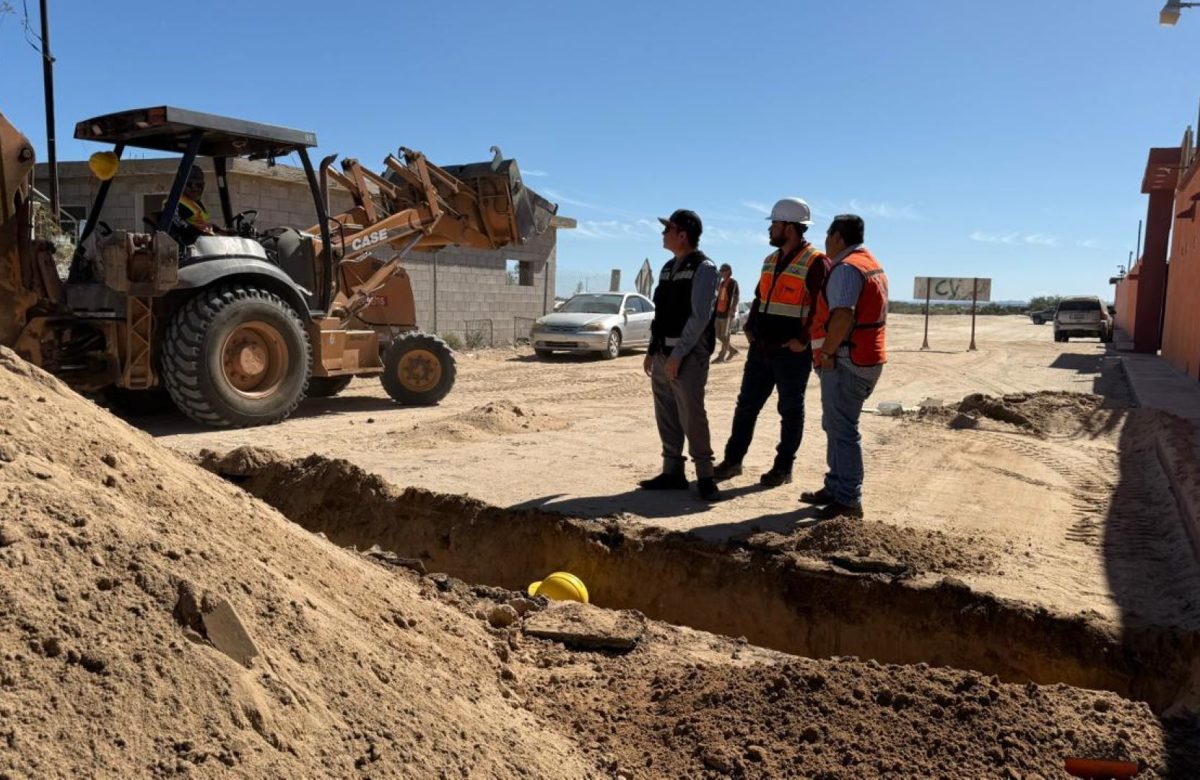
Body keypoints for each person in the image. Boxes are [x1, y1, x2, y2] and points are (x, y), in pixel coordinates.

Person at [712, 198, 829, 488]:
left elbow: (820, 307)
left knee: (790, 410)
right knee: (746, 406)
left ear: (789, 227)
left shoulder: (816, 262)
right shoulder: (770, 261)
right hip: (761, 348)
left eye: (774, 224)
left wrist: (803, 340)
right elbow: (760, 298)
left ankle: (783, 467)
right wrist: (750, 328)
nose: (770, 230)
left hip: (792, 353)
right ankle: (733, 461)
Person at [803, 214, 888, 519]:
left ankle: (849, 499)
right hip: (862, 357)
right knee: (835, 425)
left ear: (838, 236)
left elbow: (843, 316)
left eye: (827, 235)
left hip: (846, 361)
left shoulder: (847, 269)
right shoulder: (868, 263)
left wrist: (826, 353)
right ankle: (836, 486)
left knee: (843, 430)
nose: (824, 241)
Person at [639, 209, 722, 502]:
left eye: (668, 229)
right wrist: (653, 350)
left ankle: (706, 477)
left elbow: (699, 318)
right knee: (666, 412)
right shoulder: (666, 268)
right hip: (664, 352)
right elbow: (660, 314)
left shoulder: (704, 268)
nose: (663, 234)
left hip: (687, 354)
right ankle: (672, 472)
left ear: (683, 235)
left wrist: (678, 355)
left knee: (692, 414)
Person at [167, 166, 223, 243]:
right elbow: (181, 225)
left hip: (205, 245)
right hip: (188, 248)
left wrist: (221, 231)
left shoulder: (196, 203)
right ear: (181, 184)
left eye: (199, 185)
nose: (195, 188)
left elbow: (203, 224)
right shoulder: (174, 203)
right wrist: (201, 233)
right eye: (190, 184)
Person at [713, 263, 741, 363]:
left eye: (723, 271)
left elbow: (736, 297)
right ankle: (733, 350)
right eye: (721, 271)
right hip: (719, 312)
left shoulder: (733, 283)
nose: (721, 273)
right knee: (716, 334)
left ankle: (721, 356)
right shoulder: (721, 283)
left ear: (728, 271)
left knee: (725, 335)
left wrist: (732, 309)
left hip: (727, 313)